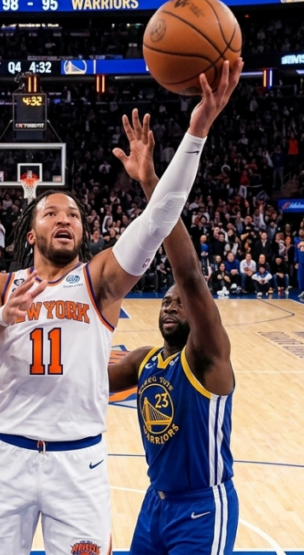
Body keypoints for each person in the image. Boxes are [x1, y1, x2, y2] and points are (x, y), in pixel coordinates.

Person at [0, 60, 242, 555]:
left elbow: (158, 222)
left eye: (73, 214)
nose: (64, 219)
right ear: (32, 233)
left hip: (78, 463)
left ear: (84, 233)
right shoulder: (0, 284)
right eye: (51, 212)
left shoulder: (100, 280)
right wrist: (6, 314)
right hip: (6, 454)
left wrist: (196, 131)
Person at [107, 217, 237, 555]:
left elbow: (191, 277)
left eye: (180, 303)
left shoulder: (207, 358)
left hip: (202, 508)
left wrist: (157, 193)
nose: (171, 306)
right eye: (166, 301)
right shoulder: (143, 361)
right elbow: (86, 383)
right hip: (156, 503)